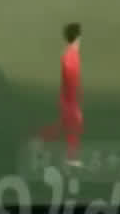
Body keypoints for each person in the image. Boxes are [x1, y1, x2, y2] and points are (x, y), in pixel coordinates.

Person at [38, 23, 83, 168]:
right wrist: (73, 106)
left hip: (67, 99)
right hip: (68, 100)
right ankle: (71, 158)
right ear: (77, 37)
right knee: (74, 126)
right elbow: (70, 81)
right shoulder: (71, 56)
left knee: (63, 126)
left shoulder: (71, 53)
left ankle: (40, 140)